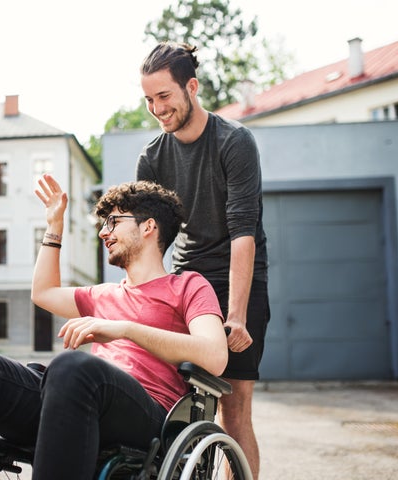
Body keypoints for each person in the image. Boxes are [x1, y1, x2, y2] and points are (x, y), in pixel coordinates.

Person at [0, 174, 228, 479]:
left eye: (113, 222)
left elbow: (215, 355)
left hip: (148, 414)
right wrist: (54, 226)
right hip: (73, 398)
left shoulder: (188, 286)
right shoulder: (102, 294)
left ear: (148, 226)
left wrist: (124, 328)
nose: (103, 233)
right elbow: (42, 293)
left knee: (73, 367)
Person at [137, 41, 270, 479]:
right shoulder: (152, 157)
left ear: (191, 87)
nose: (157, 109)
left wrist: (235, 315)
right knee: (175, 404)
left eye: (165, 96)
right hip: (187, 281)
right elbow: (149, 240)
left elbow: (242, 231)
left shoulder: (234, 142)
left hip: (239, 280)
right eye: (149, 99)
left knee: (234, 411)